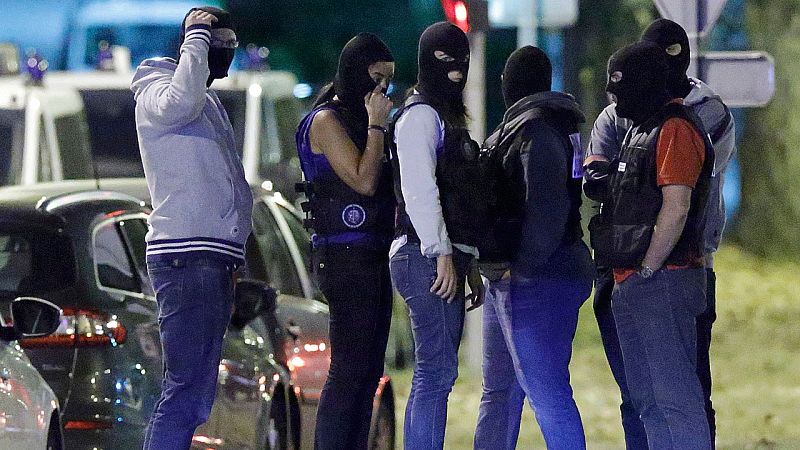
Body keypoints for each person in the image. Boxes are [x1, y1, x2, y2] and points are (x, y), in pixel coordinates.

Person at [585, 18, 735, 449]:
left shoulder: (676, 128)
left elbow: (677, 204)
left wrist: (648, 266)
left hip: (664, 277)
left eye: (621, 87)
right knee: (647, 401)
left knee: (676, 401)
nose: (615, 99)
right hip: (635, 277)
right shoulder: (641, 126)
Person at [131, 7, 251, 450]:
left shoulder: (206, 99)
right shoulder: (159, 93)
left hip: (210, 256)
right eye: (218, 44)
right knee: (184, 392)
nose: (226, 54)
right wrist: (197, 34)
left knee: (194, 395)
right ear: (190, 46)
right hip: (188, 255)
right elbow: (181, 100)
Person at [473, 46, 593, 450]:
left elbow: (546, 209)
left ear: (509, 85)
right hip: (534, 273)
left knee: (547, 394)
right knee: (501, 391)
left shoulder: (535, 132)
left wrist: (521, 268)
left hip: (538, 277)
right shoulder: (553, 126)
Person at [388, 21, 487, 450]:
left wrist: (466, 259)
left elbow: (456, 195)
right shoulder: (420, 116)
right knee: (435, 370)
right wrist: (442, 252)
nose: (457, 71)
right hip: (422, 252)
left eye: (462, 60)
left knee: (439, 371)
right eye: (447, 60)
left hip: (439, 253)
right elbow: (420, 190)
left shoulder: (440, 115)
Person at [295, 33, 396, 450]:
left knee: (370, 373)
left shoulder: (363, 119)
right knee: (349, 370)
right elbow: (363, 179)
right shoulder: (327, 120)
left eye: (388, 81)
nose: (382, 90)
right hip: (345, 256)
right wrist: (376, 126)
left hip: (374, 254)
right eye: (375, 78)